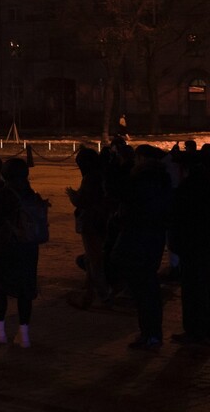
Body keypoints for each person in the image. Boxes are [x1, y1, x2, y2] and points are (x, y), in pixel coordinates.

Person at [109, 144, 173, 351]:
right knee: (147, 287)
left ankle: (151, 334)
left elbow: (119, 191)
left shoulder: (144, 181)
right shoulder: (160, 179)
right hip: (151, 239)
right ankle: (150, 333)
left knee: (145, 289)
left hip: (140, 239)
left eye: (136, 159)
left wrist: (119, 166)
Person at [0, 158, 42, 348]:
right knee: (25, 290)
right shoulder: (30, 193)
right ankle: (24, 335)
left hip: (6, 248)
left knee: (1, 288)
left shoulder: (5, 193)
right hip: (29, 248)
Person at [65, 147, 114, 309]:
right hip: (102, 221)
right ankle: (89, 293)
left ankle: (102, 294)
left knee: (94, 260)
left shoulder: (90, 178)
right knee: (91, 258)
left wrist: (73, 196)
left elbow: (83, 201)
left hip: (91, 223)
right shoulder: (103, 174)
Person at [170, 146, 210, 345]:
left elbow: (180, 217)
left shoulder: (190, 187)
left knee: (194, 290)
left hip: (193, 246)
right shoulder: (199, 184)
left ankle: (195, 330)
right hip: (199, 245)